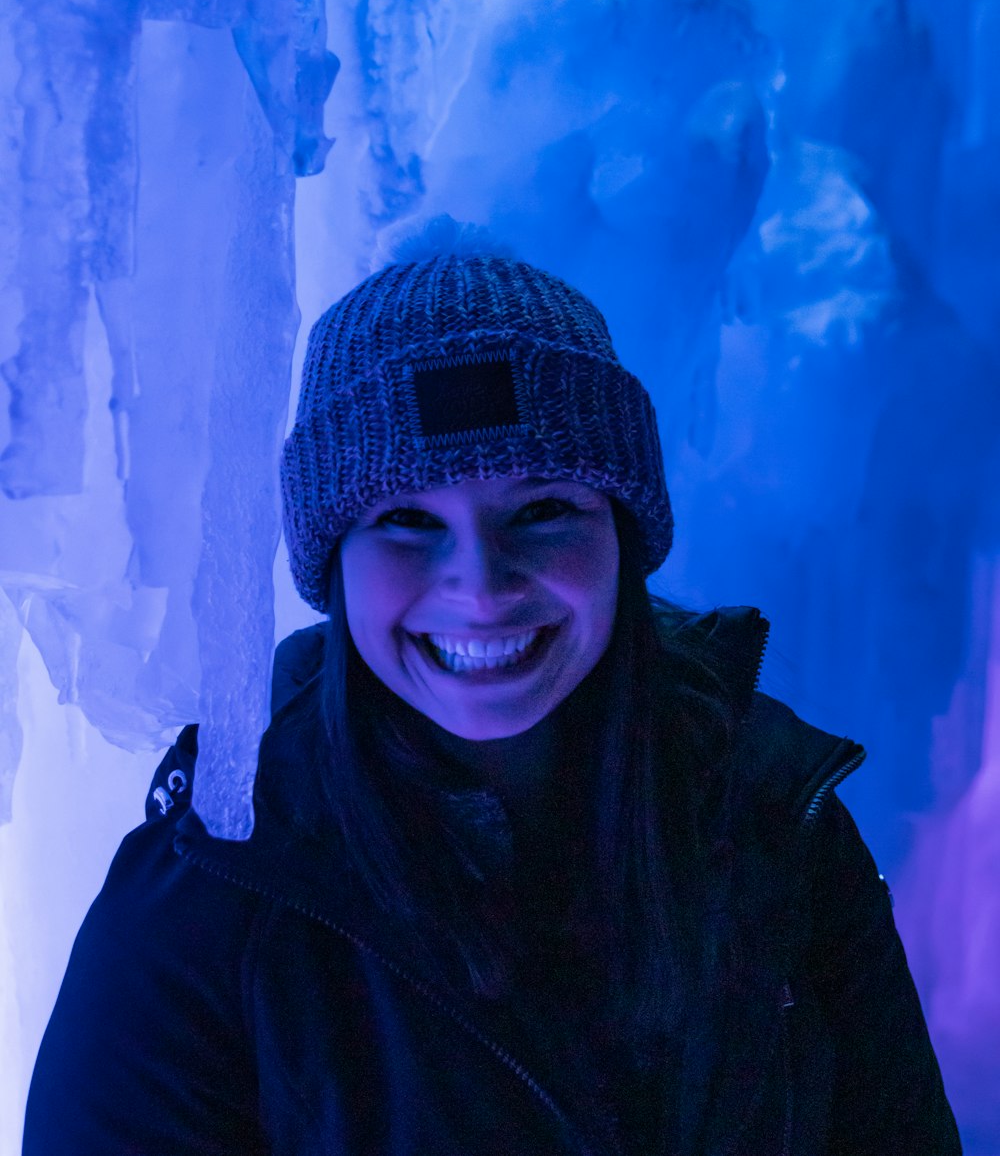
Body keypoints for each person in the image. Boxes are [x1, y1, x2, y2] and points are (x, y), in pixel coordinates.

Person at [23, 225, 961, 1155]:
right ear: (333, 562)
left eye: (544, 508)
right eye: (405, 519)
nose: (481, 583)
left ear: (622, 534)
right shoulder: (209, 890)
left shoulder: (774, 821)